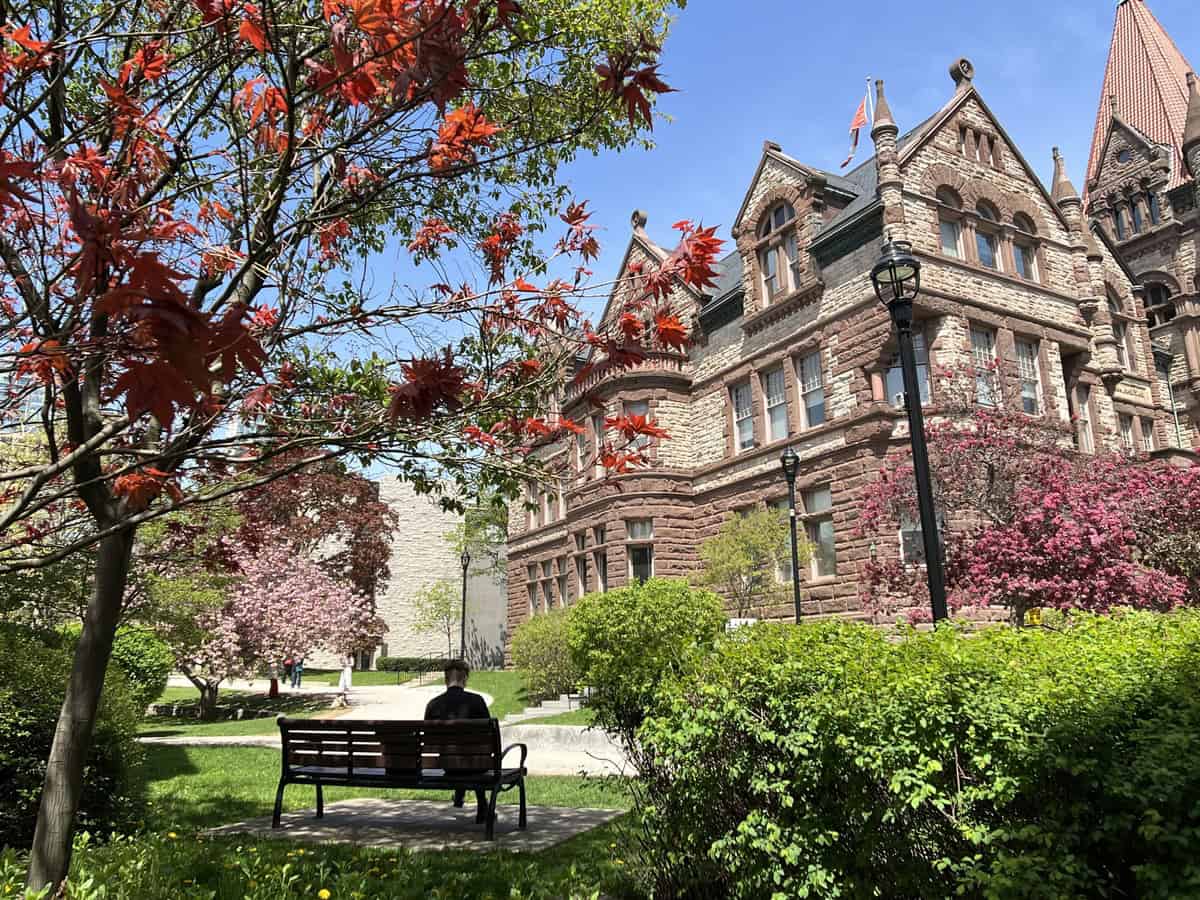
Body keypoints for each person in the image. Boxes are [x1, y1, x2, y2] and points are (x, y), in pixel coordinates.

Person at [424, 660, 492, 823]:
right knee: (473, 758)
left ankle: (460, 795)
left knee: (457, 757)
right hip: (476, 764)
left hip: (448, 765)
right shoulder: (477, 701)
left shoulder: (433, 705)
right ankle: (482, 804)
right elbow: (488, 735)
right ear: (465, 679)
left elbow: (428, 739)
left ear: (445, 680)